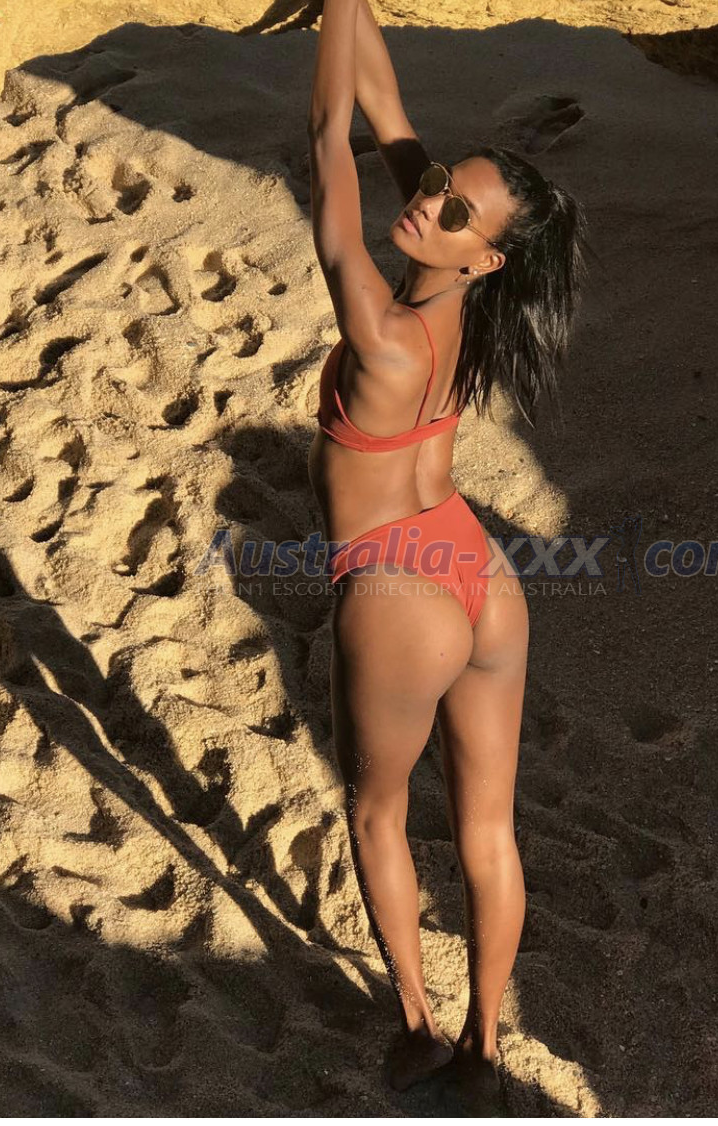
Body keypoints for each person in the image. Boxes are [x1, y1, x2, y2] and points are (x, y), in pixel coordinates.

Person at [305, 0, 590, 1105]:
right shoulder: (465, 299)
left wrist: (333, 30)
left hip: (397, 590)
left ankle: (423, 1032)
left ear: (488, 250)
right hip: (479, 577)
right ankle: (488, 1046)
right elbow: (383, 119)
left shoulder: (384, 336)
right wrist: (351, 10)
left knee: (377, 812)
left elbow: (328, 142)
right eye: (434, 186)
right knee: (485, 828)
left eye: (453, 208)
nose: (426, 203)